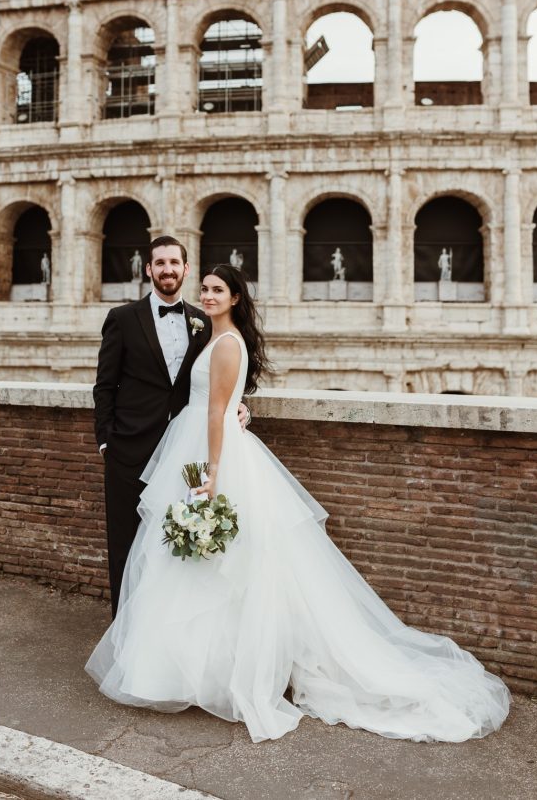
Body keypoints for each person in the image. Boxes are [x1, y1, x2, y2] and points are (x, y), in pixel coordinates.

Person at [86, 264, 510, 744]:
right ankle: (198, 668)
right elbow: (218, 398)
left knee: (219, 562)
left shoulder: (225, 343)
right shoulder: (210, 335)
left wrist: (211, 475)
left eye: (216, 290)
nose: (206, 295)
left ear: (235, 298)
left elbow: (215, 410)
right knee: (200, 562)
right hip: (198, 442)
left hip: (211, 451)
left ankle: (210, 672)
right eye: (203, 288)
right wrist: (236, 410)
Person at [93, 236, 248, 617]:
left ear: (185, 269)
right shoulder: (123, 318)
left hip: (183, 451)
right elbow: (104, 385)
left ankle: (160, 626)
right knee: (127, 545)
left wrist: (239, 406)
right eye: (159, 263)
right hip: (129, 449)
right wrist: (106, 443)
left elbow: (219, 377)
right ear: (148, 269)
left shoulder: (204, 319)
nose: (167, 270)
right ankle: (123, 629)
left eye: (174, 263)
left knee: (173, 547)